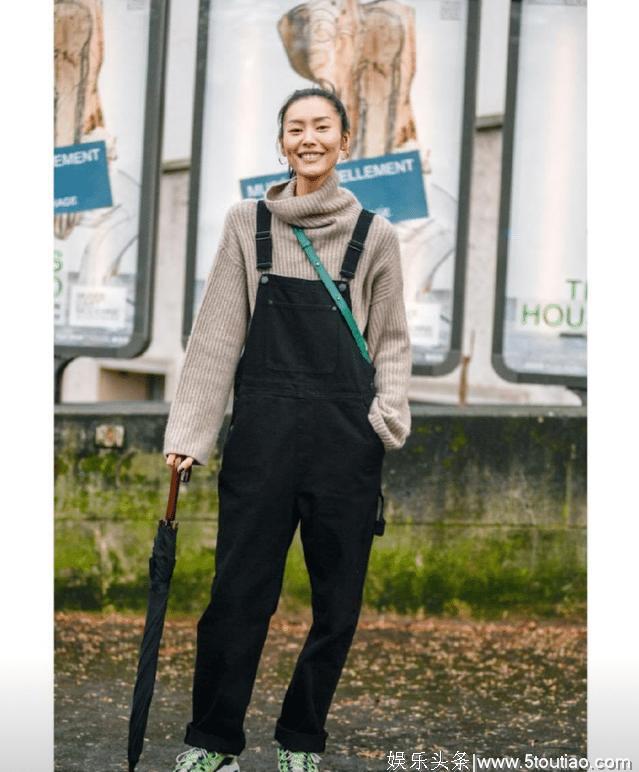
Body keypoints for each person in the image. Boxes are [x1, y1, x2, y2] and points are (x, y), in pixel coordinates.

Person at [164, 86, 412, 772]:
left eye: (322, 127)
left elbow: (390, 341)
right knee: (237, 598)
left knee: (337, 606)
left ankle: (301, 738)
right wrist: (189, 433)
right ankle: (212, 739)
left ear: (344, 141)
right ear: (282, 143)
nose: (309, 138)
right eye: (296, 128)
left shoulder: (377, 236)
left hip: (345, 446)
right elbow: (215, 336)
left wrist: (383, 420)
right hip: (263, 443)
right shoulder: (249, 224)